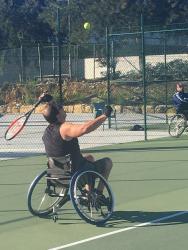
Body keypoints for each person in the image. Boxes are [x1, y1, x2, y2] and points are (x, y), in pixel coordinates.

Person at [40, 93, 113, 195]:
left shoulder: (47, 132)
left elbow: (52, 110)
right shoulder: (64, 128)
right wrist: (104, 115)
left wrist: (50, 100)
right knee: (108, 162)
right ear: (58, 115)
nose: (62, 107)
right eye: (60, 107)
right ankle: (98, 195)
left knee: (89, 158)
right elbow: (85, 128)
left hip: (56, 175)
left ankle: (89, 193)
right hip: (74, 174)